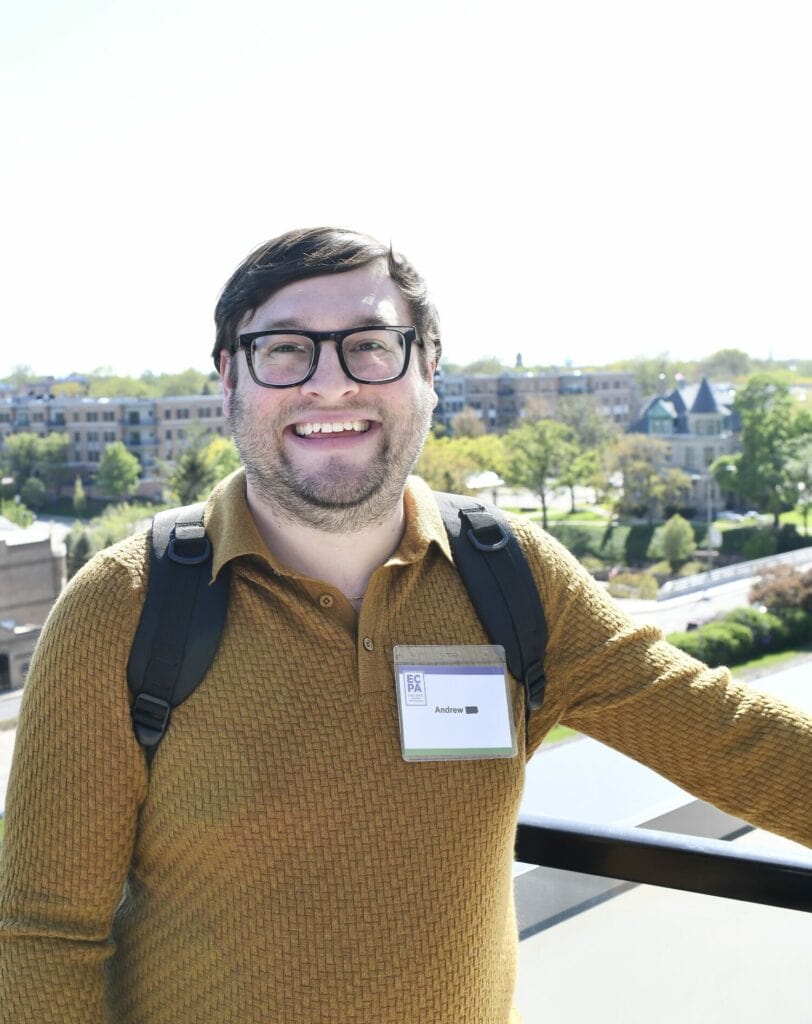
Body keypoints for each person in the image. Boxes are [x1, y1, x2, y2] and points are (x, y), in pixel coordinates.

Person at [0, 227, 810, 1024]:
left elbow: (735, 740)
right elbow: (41, 931)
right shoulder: (124, 606)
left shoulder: (515, 576)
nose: (330, 384)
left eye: (370, 346)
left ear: (428, 370)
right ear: (228, 379)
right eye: (283, 349)